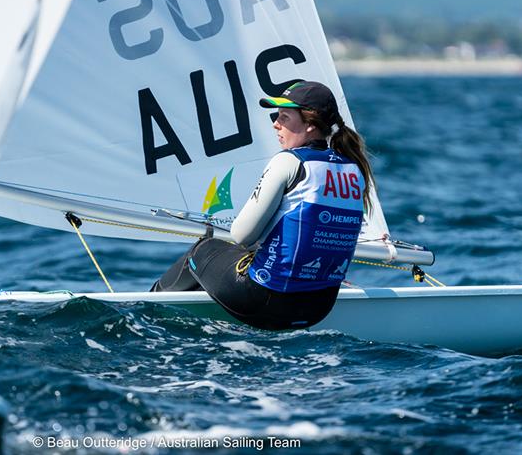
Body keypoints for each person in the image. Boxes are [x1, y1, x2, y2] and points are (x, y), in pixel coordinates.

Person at [150, 80, 375, 330]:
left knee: (203, 249)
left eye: (285, 117)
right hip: (319, 307)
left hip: (265, 301)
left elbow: (241, 235)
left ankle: (149, 316)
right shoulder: (354, 170)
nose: (275, 124)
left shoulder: (289, 162)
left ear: (310, 124)